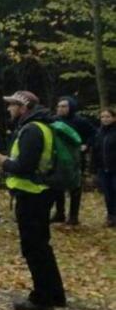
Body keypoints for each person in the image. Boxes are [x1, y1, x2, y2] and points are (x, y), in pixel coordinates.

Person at [0, 90, 66, 310]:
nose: (9, 108)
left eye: (12, 105)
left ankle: (42, 298)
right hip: (39, 192)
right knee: (42, 245)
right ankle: (55, 294)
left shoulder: (32, 130)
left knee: (33, 247)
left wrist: (1, 160)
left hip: (32, 194)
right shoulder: (41, 126)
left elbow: (23, 166)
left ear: (23, 107)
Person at [52, 96, 96, 225]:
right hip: (58, 158)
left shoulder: (80, 121)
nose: (60, 109)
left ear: (71, 107)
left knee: (75, 187)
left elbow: (94, 134)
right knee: (57, 187)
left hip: (76, 158)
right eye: (59, 106)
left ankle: (73, 216)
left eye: (64, 106)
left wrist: (86, 145)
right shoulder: (54, 120)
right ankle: (59, 213)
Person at [92, 107, 116, 228]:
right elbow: (95, 151)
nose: (105, 119)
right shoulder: (99, 132)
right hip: (103, 168)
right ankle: (111, 216)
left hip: (115, 168)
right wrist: (93, 167)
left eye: (108, 117)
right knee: (108, 193)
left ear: (114, 118)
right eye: (102, 117)